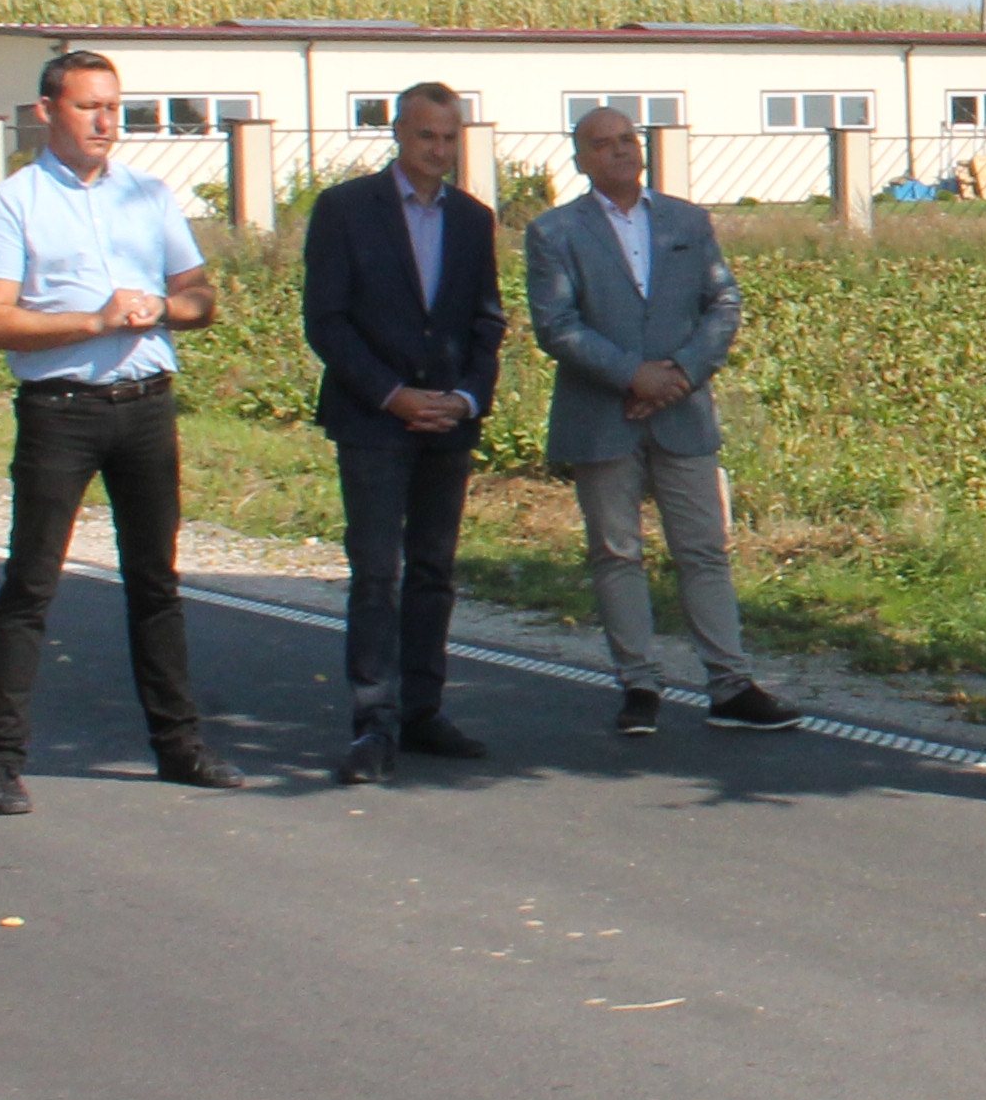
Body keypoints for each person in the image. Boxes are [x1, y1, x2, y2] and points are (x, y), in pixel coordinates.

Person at [0, 49, 240, 815]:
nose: (106, 122)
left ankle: (179, 745)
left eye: (114, 107)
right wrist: (94, 320)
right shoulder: (13, 203)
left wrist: (160, 307)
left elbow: (201, 297)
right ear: (47, 111)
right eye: (89, 107)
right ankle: (0, 757)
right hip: (61, 411)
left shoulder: (148, 196)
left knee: (156, 583)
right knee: (32, 584)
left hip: (145, 403)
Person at [523, 105, 802, 741]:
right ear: (580, 159)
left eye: (628, 139)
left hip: (683, 407)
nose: (619, 151)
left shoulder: (687, 221)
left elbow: (722, 301)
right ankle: (640, 684)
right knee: (617, 551)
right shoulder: (554, 232)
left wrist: (678, 373)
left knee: (704, 549)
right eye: (603, 144)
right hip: (602, 413)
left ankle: (730, 685)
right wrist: (631, 376)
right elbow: (556, 325)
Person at [302, 80, 509, 786]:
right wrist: (393, 397)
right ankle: (373, 722)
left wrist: (464, 396)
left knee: (432, 573)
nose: (440, 151)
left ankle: (423, 709)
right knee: (377, 573)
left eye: (450, 139)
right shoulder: (344, 210)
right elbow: (326, 320)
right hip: (373, 420)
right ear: (398, 134)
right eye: (427, 137)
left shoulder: (475, 219)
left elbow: (487, 322)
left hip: (445, 423)